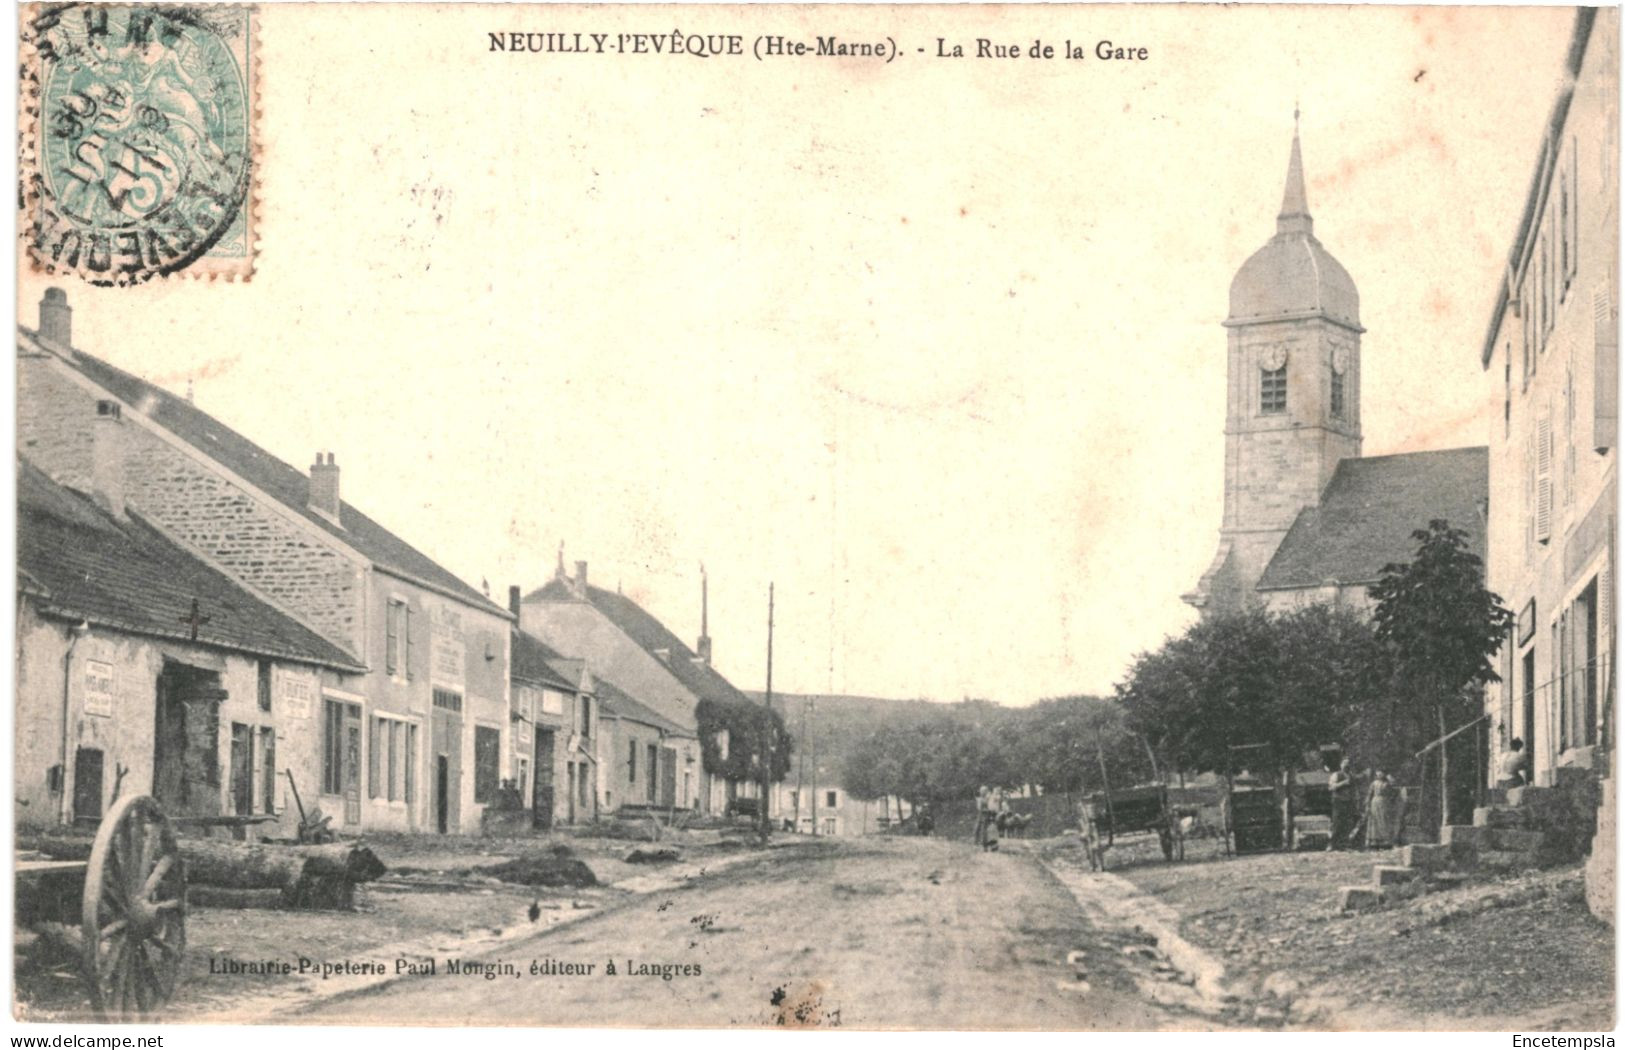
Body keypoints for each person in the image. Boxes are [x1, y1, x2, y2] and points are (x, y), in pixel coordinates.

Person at [1328, 758, 1356, 850]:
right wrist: (1343, 783)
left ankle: (1344, 844)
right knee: (1337, 822)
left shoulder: (1351, 776)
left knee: (1347, 823)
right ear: (1340, 765)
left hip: (1348, 801)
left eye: (1348, 763)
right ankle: (1332, 844)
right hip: (1338, 801)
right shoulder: (1336, 774)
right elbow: (1331, 787)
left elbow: (1354, 789)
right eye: (1344, 763)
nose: (1346, 765)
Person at [1364, 770, 1394, 848]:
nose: (1379, 774)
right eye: (1378, 772)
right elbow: (1369, 794)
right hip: (1375, 801)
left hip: (1384, 802)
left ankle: (1384, 840)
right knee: (1374, 819)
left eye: (1381, 772)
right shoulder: (1373, 783)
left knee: (1383, 819)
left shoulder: (1387, 783)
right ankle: (1373, 840)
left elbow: (1392, 792)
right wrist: (1367, 804)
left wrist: (1390, 780)